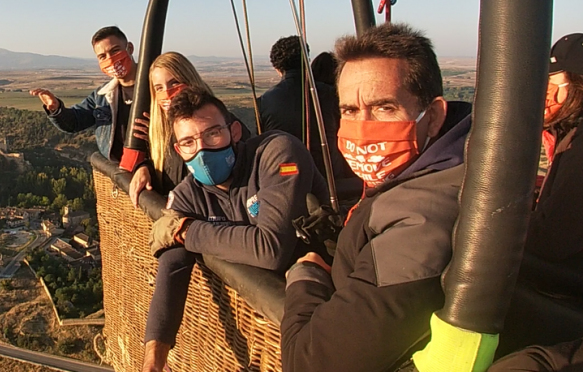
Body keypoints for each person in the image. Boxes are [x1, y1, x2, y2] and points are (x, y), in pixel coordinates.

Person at [281, 23, 473, 372]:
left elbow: (308, 362)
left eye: (384, 108)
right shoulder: (422, 174)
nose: (362, 129)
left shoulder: (423, 216)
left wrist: (306, 277)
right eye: (350, 111)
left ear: (434, 117)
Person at [142, 87, 328, 372]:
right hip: (262, 328)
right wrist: (154, 357)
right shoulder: (188, 194)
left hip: (321, 295)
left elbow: (270, 250)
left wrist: (188, 230)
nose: (202, 150)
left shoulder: (277, 153)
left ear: (235, 132)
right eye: (189, 142)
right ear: (179, 150)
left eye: (212, 134)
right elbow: (173, 265)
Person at [128, 52, 241, 205]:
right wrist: (144, 168)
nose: (167, 93)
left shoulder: (222, 124)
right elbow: (169, 172)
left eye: (174, 83)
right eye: (159, 88)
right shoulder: (161, 133)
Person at [521, 33, 583, 296]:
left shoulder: (579, 145)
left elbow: (552, 240)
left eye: (556, 84)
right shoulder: (568, 134)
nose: (545, 97)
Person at [30, 26, 137, 161]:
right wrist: (56, 109)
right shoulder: (102, 95)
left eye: (115, 51)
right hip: (122, 171)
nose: (110, 60)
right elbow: (75, 122)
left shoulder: (157, 86)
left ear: (130, 48)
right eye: (102, 56)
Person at [258, 36, 347, 180]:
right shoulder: (330, 94)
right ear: (307, 61)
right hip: (329, 173)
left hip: (286, 175)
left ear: (277, 68)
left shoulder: (264, 101)